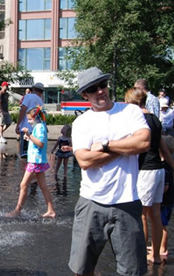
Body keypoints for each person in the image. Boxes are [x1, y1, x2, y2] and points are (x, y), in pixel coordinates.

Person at [68, 67, 150, 276]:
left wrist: (105, 145)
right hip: (91, 201)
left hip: (127, 202)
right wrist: (125, 147)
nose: (100, 91)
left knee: (132, 271)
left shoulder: (130, 111)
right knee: (81, 269)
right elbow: (84, 160)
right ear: (85, 95)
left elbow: (143, 142)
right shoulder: (81, 122)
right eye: (93, 89)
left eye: (102, 85)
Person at [125, 87, 174, 264]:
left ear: (133, 103)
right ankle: (155, 256)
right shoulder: (154, 119)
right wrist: (172, 167)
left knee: (142, 215)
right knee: (155, 214)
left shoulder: (139, 120)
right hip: (159, 170)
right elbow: (164, 148)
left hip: (145, 171)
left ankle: (141, 255)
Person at [6, 106, 55, 218]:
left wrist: (29, 135)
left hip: (35, 160)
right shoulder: (40, 126)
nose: (28, 121)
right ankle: (51, 210)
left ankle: (17, 211)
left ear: (36, 117)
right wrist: (30, 139)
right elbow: (37, 142)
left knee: (23, 184)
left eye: (30, 119)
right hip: (36, 160)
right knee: (43, 186)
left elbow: (41, 143)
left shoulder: (39, 127)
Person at [16, 83, 45, 158]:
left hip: (26, 129)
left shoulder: (28, 96)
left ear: (33, 89)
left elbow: (23, 110)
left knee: (24, 155)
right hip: (35, 130)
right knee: (32, 154)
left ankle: (24, 169)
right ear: (41, 92)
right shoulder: (41, 101)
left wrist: (17, 125)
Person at [160, 134, 174, 257]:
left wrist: (157, 194)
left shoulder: (165, 168)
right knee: (161, 223)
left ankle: (163, 248)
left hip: (165, 201)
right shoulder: (169, 166)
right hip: (168, 201)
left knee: (163, 225)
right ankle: (159, 245)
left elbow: (165, 187)